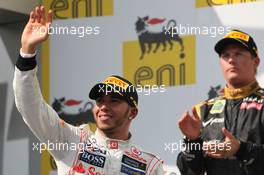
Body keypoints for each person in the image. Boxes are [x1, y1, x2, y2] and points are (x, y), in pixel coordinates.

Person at [13, 6, 164, 175]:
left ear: (133, 112)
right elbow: (30, 107)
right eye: (100, 100)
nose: (104, 106)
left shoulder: (149, 165)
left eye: (114, 100)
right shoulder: (70, 140)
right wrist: (27, 52)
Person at [177, 29, 264, 175]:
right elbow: (189, 172)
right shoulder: (203, 110)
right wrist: (192, 142)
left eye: (238, 53)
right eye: (225, 55)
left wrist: (241, 149)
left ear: (256, 61)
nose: (231, 60)